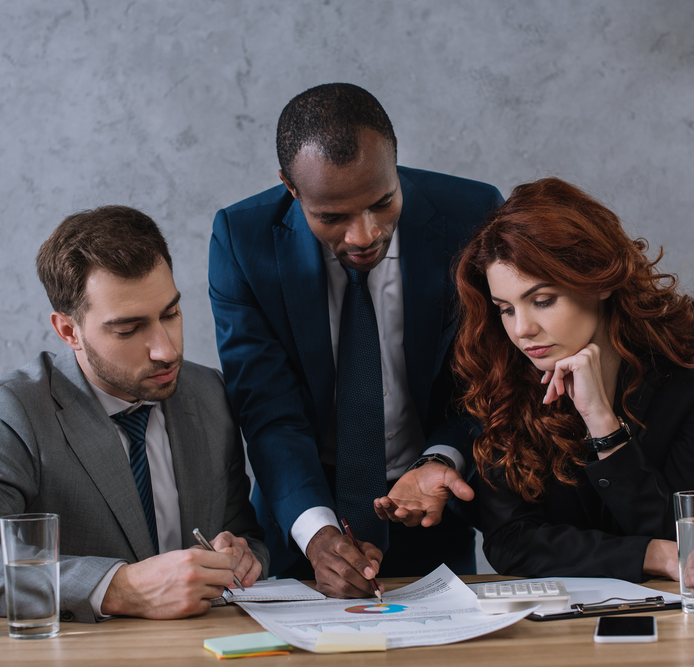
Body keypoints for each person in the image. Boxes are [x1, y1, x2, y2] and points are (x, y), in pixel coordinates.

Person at [209, 83, 503, 598]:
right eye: (332, 217)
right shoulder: (242, 240)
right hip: (306, 513)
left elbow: (493, 374)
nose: (363, 234)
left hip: (433, 508)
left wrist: (441, 460)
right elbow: (268, 409)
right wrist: (317, 535)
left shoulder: (473, 214)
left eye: (382, 202)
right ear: (290, 187)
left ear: (395, 161)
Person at [0, 206, 267, 622]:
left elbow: (244, 532)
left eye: (171, 314)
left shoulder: (209, 394)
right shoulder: (10, 412)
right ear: (69, 332)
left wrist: (243, 555)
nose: (167, 349)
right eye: (128, 329)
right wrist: (118, 588)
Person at [452, 178, 694, 583]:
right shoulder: (498, 368)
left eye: (542, 301)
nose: (522, 330)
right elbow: (510, 541)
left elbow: (687, 534)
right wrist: (652, 555)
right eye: (506, 309)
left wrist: (603, 424)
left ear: (599, 280)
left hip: (674, 617)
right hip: (553, 625)